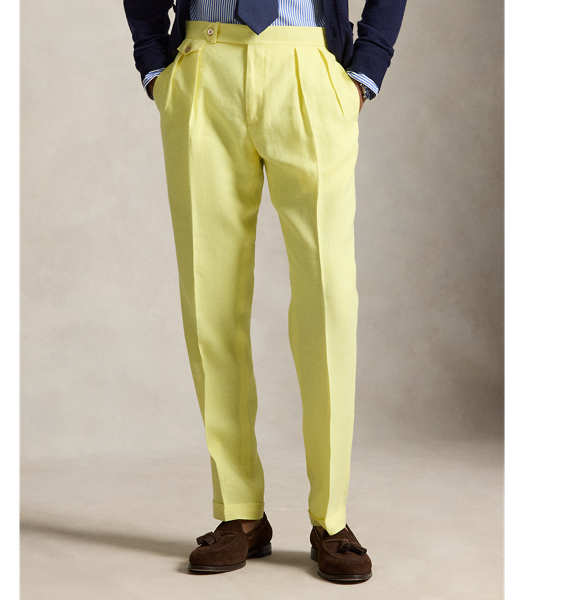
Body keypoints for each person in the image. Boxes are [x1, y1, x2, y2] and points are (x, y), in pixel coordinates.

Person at [122, 0, 406, 583]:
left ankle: (331, 519)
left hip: (308, 65)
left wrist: (366, 68)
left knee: (329, 300)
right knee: (211, 299)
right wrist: (154, 62)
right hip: (206, 63)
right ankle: (239, 511)